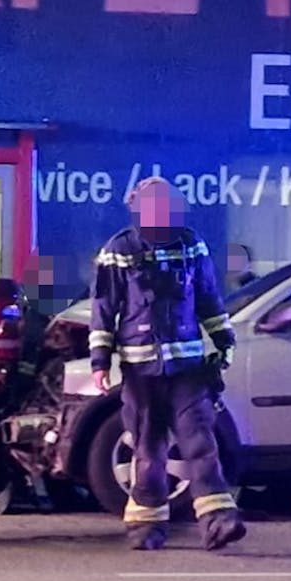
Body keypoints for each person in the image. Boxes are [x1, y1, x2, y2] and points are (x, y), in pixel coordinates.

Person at [88, 176, 246, 551]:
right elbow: (103, 310)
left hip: (188, 370)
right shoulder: (118, 250)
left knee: (200, 442)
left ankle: (219, 521)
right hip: (140, 373)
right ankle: (145, 527)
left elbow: (208, 297)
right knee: (148, 450)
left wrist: (224, 339)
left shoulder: (190, 245)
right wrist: (100, 362)